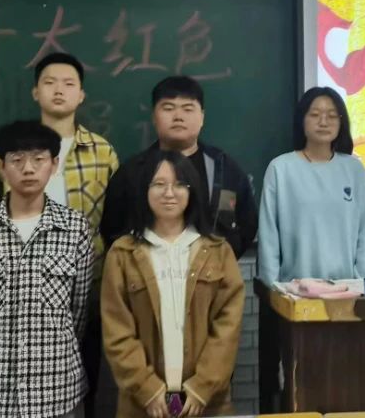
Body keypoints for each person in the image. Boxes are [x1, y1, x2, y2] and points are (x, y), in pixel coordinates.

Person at [0, 120, 95, 418]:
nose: (28, 169)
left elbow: (79, 309)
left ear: (54, 164)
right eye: (17, 160)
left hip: (57, 388)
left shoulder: (75, 229)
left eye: (38, 159)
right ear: (1, 167)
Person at [101, 150, 244, 418]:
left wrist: (203, 386)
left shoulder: (217, 251)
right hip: (141, 405)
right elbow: (117, 332)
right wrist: (147, 389)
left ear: (192, 191)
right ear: (144, 190)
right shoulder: (122, 254)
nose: (169, 193)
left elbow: (228, 327)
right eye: (159, 184)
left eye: (179, 184)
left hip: (207, 403)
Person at [23, 53, 120, 418]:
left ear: (81, 95)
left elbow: (116, 220)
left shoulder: (102, 152)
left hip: (90, 283)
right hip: (29, 289)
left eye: (69, 84)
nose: (59, 90)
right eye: (49, 82)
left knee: (88, 377)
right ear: (35, 92)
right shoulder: (14, 154)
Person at [101, 76, 257, 259]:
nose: (178, 117)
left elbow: (247, 223)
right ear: (154, 117)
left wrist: (220, 261)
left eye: (188, 109)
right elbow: (112, 228)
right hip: (147, 272)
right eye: (168, 108)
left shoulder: (224, 169)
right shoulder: (132, 171)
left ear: (202, 117)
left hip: (212, 272)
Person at [257, 86, 365, 284]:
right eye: (315, 114)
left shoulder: (354, 169)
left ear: (341, 122)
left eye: (332, 115)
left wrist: (363, 283)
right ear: (302, 120)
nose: (324, 122)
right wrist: (273, 289)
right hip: (295, 292)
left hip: (346, 290)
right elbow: (269, 237)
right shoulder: (280, 169)